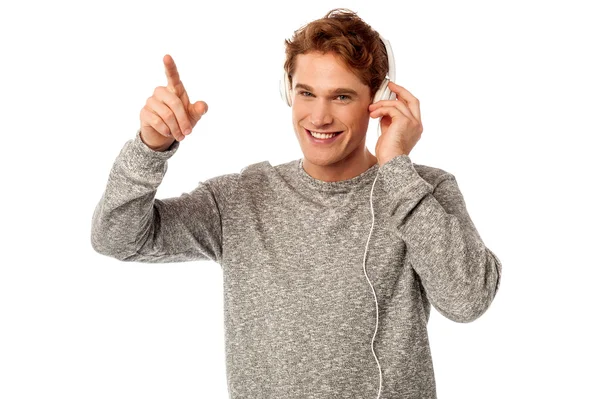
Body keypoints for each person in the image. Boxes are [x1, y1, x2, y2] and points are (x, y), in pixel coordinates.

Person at [91, 8, 502, 399]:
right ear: (288, 90)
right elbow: (117, 238)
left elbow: (467, 300)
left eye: (341, 97)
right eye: (307, 93)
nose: (319, 117)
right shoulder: (240, 199)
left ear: (378, 99)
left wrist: (395, 165)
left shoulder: (420, 190)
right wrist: (151, 147)